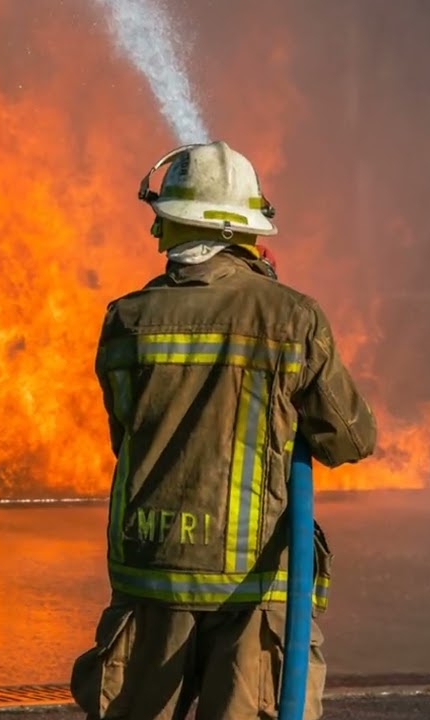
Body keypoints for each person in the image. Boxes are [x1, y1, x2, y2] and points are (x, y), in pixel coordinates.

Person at [69, 140, 377, 720]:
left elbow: (126, 434)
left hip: (148, 581)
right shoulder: (291, 316)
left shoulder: (126, 319)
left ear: (168, 224)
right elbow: (350, 437)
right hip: (250, 594)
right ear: (250, 232)